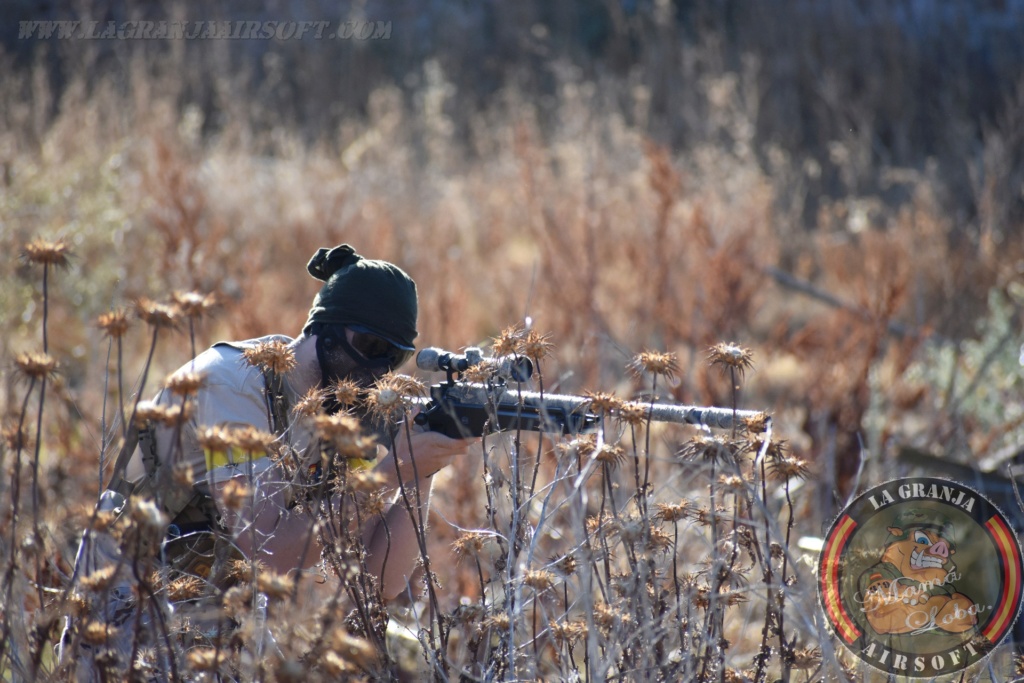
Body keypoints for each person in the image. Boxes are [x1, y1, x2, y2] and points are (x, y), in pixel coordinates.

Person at [62, 244, 476, 679]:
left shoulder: (344, 412)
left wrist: (419, 474)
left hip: (217, 609)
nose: (378, 368)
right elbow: (269, 553)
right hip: (128, 604)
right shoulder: (232, 384)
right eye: (370, 346)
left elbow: (377, 582)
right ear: (326, 330)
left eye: (394, 358)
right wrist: (391, 471)